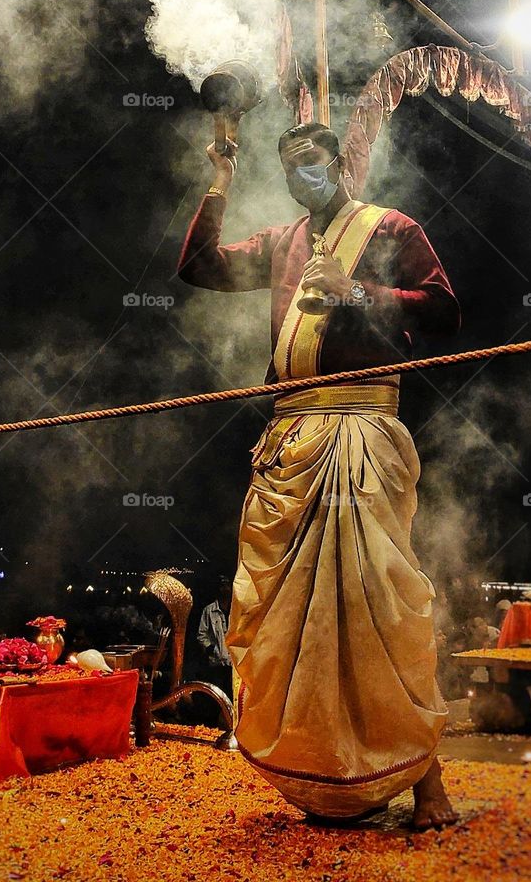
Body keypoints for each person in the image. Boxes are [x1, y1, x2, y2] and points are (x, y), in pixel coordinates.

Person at [178, 121, 461, 829]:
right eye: (290, 167)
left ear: (340, 162)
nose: (302, 174)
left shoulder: (390, 228)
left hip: (362, 433)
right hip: (291, 439)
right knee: (288, 622)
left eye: (312, 162)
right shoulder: (281, 242)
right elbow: (200, 266)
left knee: (377, 611)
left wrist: (357, 292)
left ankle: (426, 779)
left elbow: (446, 313)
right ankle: (323, 773)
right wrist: (220, 178)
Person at [197, 579, 233, 694]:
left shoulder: (236, 609)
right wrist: (211, 649)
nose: (225, 589)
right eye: (222, 586)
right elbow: (202, 634)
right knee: (218, 695)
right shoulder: (209, 610)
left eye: (227, 585)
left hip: (235, 663)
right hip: (217, 663)